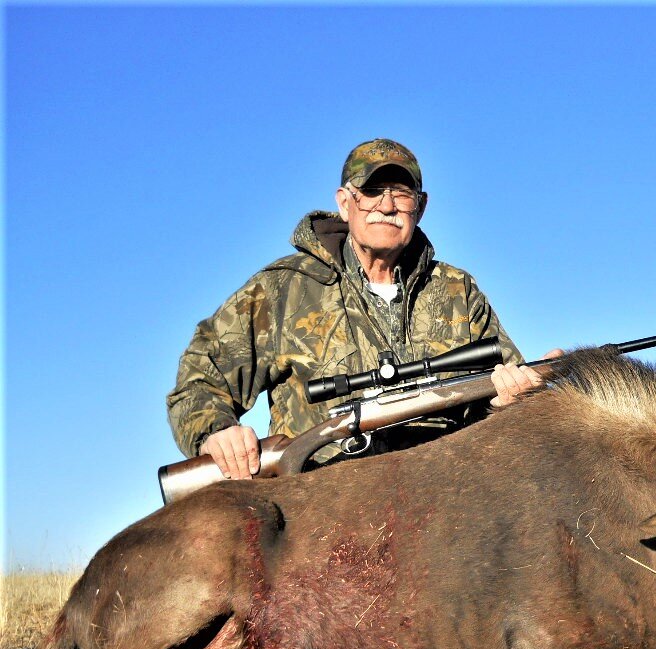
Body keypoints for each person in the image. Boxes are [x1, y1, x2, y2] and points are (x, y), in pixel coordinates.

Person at [168, 138, 555, 480]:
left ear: (420, 207)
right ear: (344, 202)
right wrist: (216, 432)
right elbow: (200, 379)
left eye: (402, 193)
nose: (386, 205)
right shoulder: (282, 287)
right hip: (322, 505)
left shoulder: (458, 290)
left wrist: (515, 399)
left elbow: (504, 382)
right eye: (371, 191)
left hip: (443, 503)